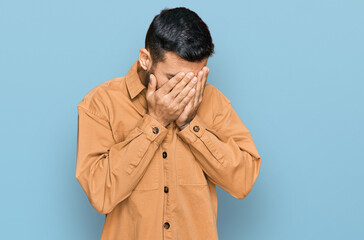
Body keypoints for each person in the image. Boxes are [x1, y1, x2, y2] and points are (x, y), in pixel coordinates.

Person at [75, 6, 261, 240]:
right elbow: (101, 194)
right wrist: (155, 122)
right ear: (145, 59)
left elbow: (242, 182)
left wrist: (191, 124)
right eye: (173, 79)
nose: (184, 90)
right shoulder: (100, 104)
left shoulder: (214, 101)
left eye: (194, 79)